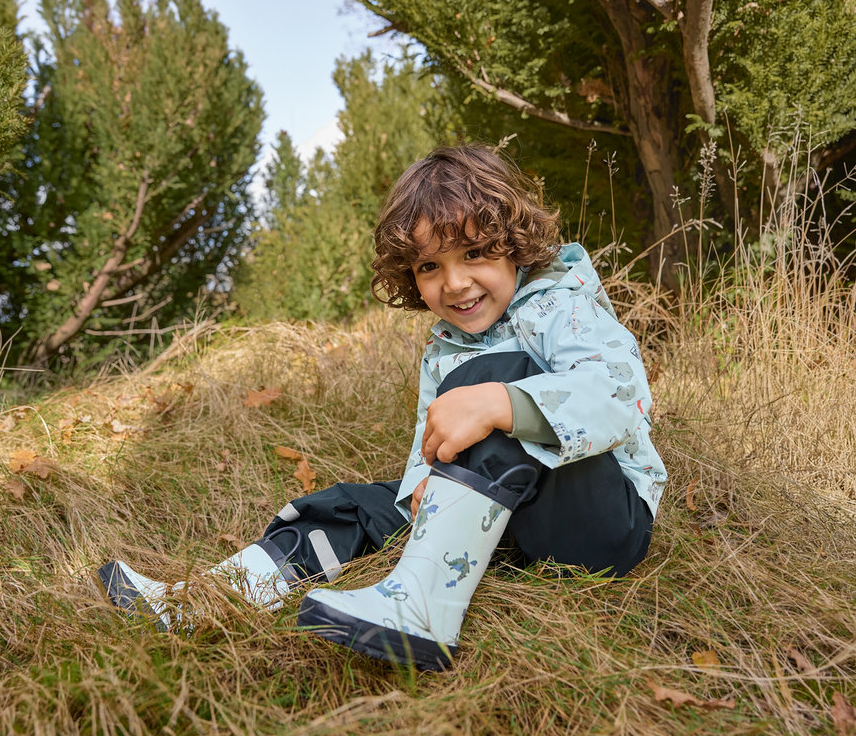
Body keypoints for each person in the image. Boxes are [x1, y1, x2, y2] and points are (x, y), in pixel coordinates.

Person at [98, 144, 667, 670]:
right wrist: (422, 485)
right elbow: (431, 443)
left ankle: (422, 608)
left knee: (490, 381)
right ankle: (204, 599)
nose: (455, 284)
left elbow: (622, 394)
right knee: (358, 505)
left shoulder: (560, 306)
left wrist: (501, 400)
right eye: (430, 267)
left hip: (598, 525)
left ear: (515, 245)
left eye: (474, 253)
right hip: (502, 530)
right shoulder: (445, 347)